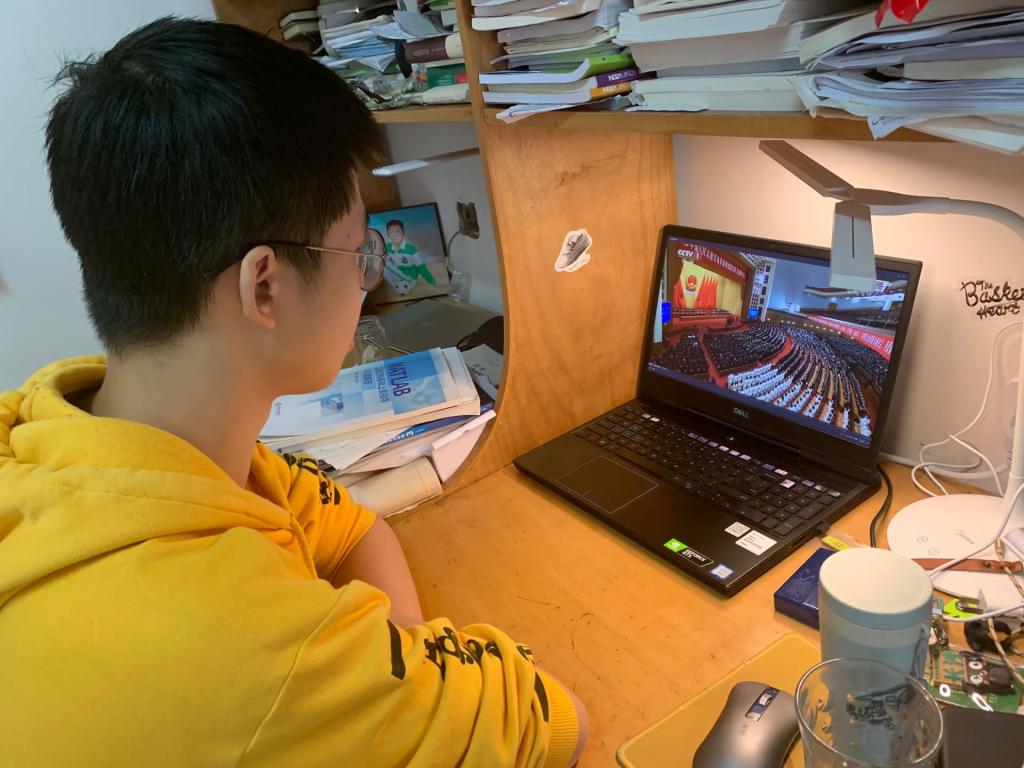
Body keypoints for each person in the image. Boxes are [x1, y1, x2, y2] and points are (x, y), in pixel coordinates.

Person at [0, 17, 586, 768]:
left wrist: (392, 669)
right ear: (265, 288)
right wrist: (385, 688)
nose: (366, 277)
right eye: (357, 252)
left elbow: (352, 530)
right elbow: (555, 725)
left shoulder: (70, 431)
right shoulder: (253, 654)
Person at [385, 218, 437, 286]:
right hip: (397, 276)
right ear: (388, 234)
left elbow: (421, 267)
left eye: (397, 231)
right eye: (391, 232)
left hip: (409, 278)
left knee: (386, 265)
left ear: (403, 232)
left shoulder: (411, 249)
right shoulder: (386, 248)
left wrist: (432, 281)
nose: (394, 235)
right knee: (382, 263)